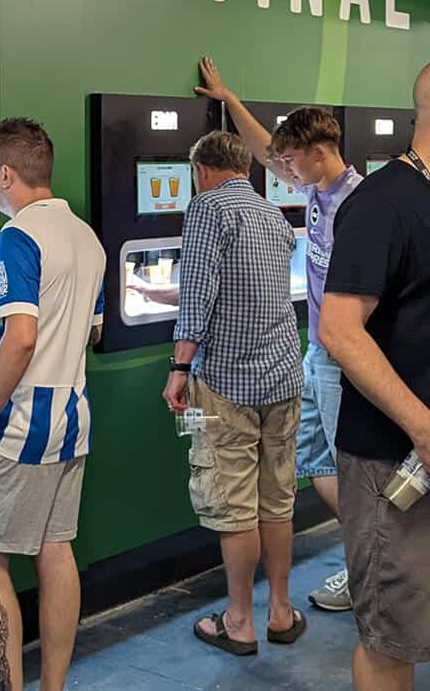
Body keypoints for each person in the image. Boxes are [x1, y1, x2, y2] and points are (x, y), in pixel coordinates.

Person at [196, 57, 363, 611]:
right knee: (317, 467)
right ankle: (367, 560)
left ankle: (376, 566)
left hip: (342, 358)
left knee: (350, 470)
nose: (282, 170)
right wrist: (227, 96)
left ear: (320, 153)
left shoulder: (359, 206)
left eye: (292, 162)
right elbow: (266, 146)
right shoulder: (317, 192)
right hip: (315, 354)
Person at [0, 118, 106, 691]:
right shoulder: (85, 236)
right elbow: (86, 329)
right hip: (72, 417)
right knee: (56, 549)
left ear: (6, 174)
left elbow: (22, 335)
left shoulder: (19, 237)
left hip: (19, 423)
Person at [161, 131, 307, 656]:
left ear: (200, 170)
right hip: (284, 376)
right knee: (277, 499)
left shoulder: (206, 208)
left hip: (227, 382)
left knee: (234, 504)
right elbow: (247, 279)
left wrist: (179, 367)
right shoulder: (272, 215)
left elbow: (199, 293)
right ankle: (283, 612)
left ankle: (240, 621)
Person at [319, 63, 430, 691]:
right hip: (395, 462)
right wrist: (420, 424)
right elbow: (339, 329)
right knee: (391, 641)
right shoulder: (382, 202)